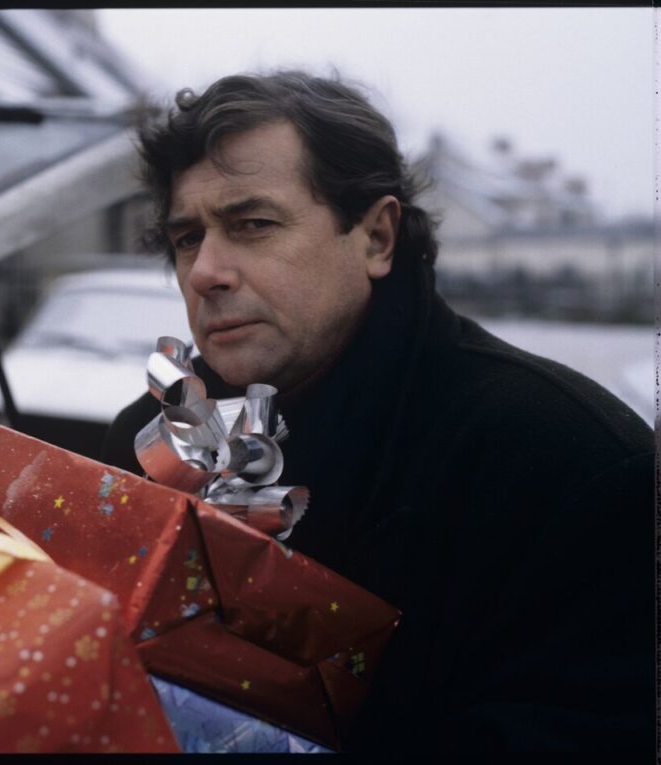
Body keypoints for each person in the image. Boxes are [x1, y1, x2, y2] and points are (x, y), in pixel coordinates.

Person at [100, 70, 654, 753]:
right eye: (187, 238)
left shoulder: (566, 460)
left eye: (253, 224)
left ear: (377, 237)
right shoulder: (146, 443)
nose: (206, 270)